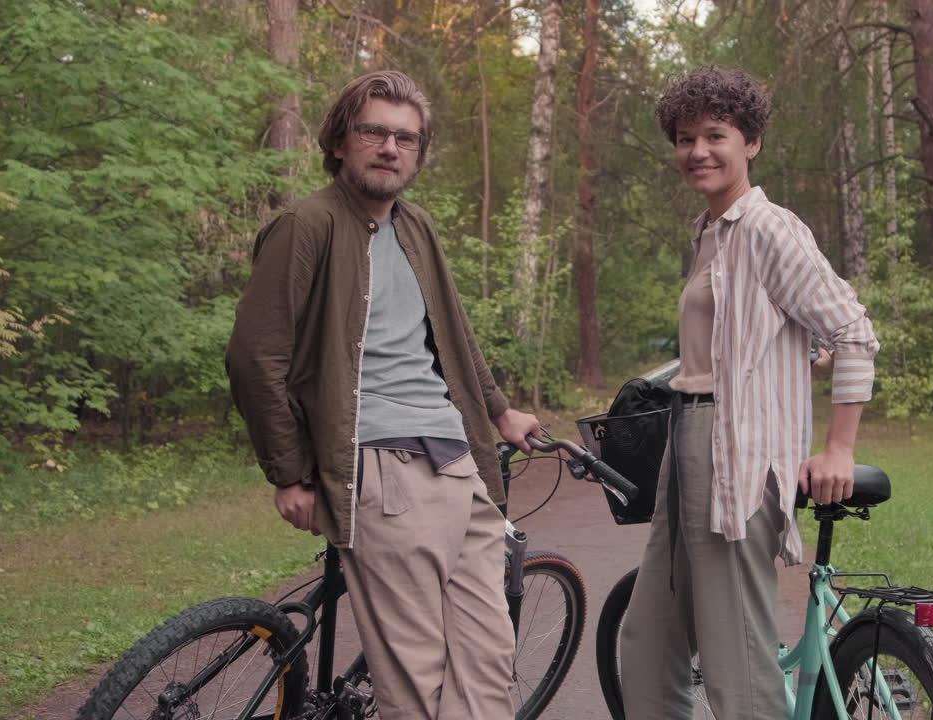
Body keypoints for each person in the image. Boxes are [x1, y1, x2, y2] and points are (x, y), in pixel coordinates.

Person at [225, 70, 541, 720]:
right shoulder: (306, 227)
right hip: (383, 471)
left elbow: (454, 338)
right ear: (340, 141)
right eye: (374, 131)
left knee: (487, 666)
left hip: (462, 465)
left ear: (419, 152)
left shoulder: (416, 228)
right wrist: (289, 472)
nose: (390, 147)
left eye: (406, 137)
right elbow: (257, 356)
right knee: (416, 682)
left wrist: (501, 411)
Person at [618, 67, 880, 719]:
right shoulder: (713, 230)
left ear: (751, 142)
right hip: (688, 441)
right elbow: (753, 337)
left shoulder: (767, 228)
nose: (698, 151)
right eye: (685, 138)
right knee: (648, 643)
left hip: (734, 458)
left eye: (716, 135)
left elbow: (853, 331)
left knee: (737, 664)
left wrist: (838, 449)